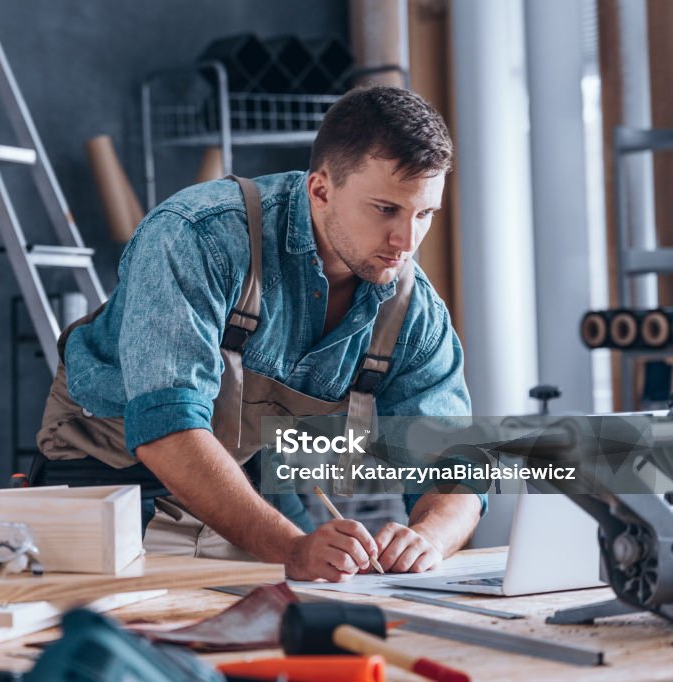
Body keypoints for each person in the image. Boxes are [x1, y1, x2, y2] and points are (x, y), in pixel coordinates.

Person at [31, 85, 485, 582]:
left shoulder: (411, 309)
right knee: (129, 635)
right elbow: (167, 431)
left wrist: (428, 539)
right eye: (385, 210)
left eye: (424, 214)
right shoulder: (197, 236)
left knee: (318, 613)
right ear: (321, 189)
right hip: (111, 473)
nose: (406, 241)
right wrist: (292, 549)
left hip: (249, 479)